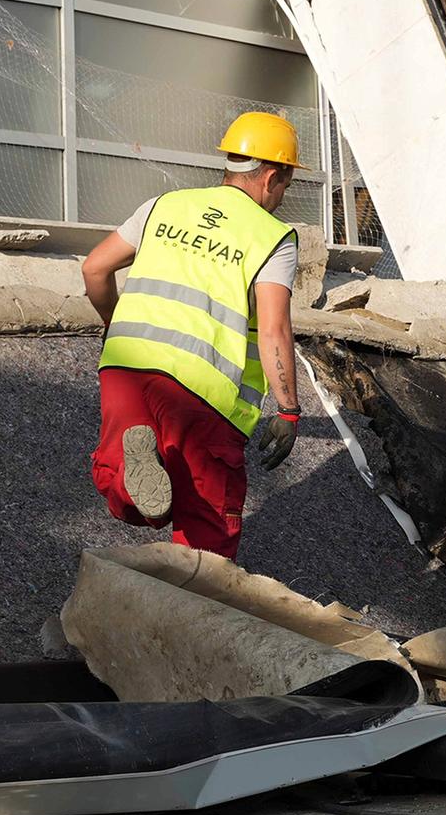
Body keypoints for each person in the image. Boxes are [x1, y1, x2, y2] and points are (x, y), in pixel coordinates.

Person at [83, 111, 312, 559]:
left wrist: (117, 325)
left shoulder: (162, 206)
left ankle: (133, 484)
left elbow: (94, 267)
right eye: (286, 184)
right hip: (203, 393)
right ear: (271, 175)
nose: (283, 196)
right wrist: (288, 410)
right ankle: (194, 616)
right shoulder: (272, 236)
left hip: (126, 369)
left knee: (124, 484)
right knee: (207, 522)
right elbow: (273, 329)